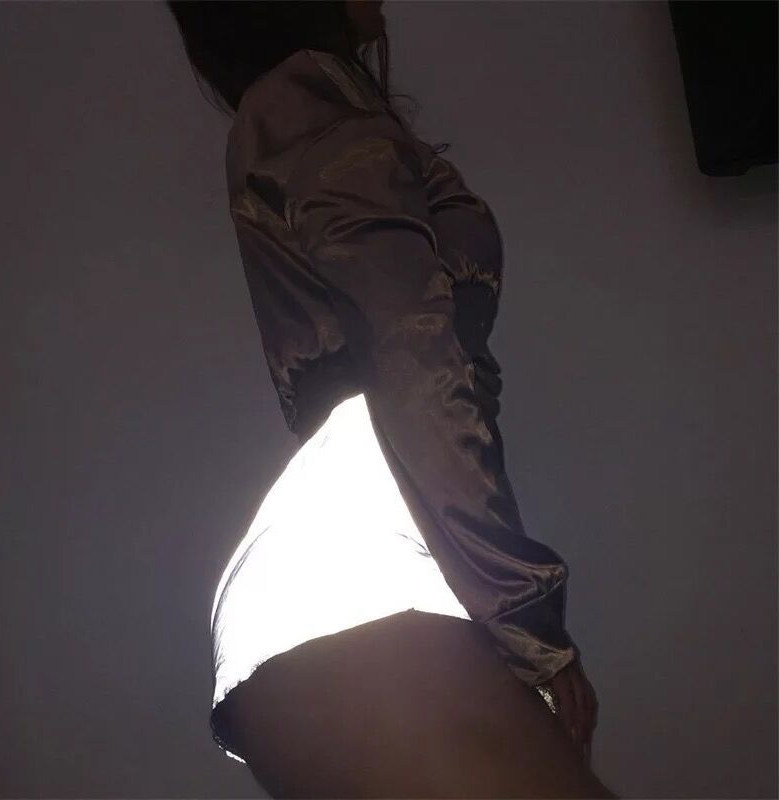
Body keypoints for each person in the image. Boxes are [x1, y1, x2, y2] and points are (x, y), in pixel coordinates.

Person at [167, 2, 618, 797]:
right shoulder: (303, 98)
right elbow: (412, 350)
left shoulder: (306, 106)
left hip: (368, 567)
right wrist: (526, 619)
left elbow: (420, 364)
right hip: (366, 573)